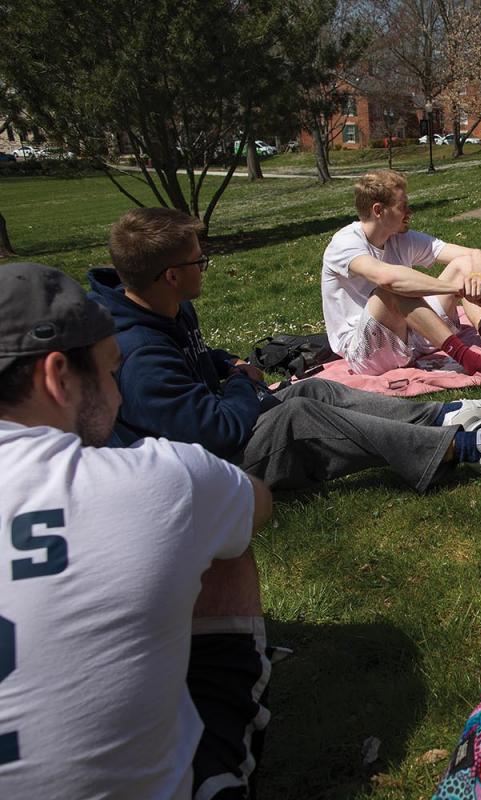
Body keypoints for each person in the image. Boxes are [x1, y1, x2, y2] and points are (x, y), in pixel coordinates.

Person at [0, 263, 275, 797]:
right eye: (108, 374)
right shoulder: (162, 477)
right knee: (223, 539)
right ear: (58, 376)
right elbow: (256, 504)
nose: (119, 395)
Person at [89, 207, 481, 491]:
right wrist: (238, 383)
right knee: (296, 416)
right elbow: (216, 433)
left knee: (310, 393)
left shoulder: (162, 306)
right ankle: (466, 448)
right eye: (199, 261)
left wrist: (224, 363)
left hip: (212, 430)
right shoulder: (138, 354)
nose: (204, 268)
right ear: (171, 275)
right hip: (197, 472)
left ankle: (442, 415)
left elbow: (195, 359)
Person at [322, 169, 481, 376]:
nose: (410, 212)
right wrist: (457, 289)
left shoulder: (401, 238)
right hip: (367, 353)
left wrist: (476, 278)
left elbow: (479, 255)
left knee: (465, 265)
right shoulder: (345, 243)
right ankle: (471, 361)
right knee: (391, 290)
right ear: (378, 210)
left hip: (412, 335)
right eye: (403, 207)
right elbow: (387, 278)